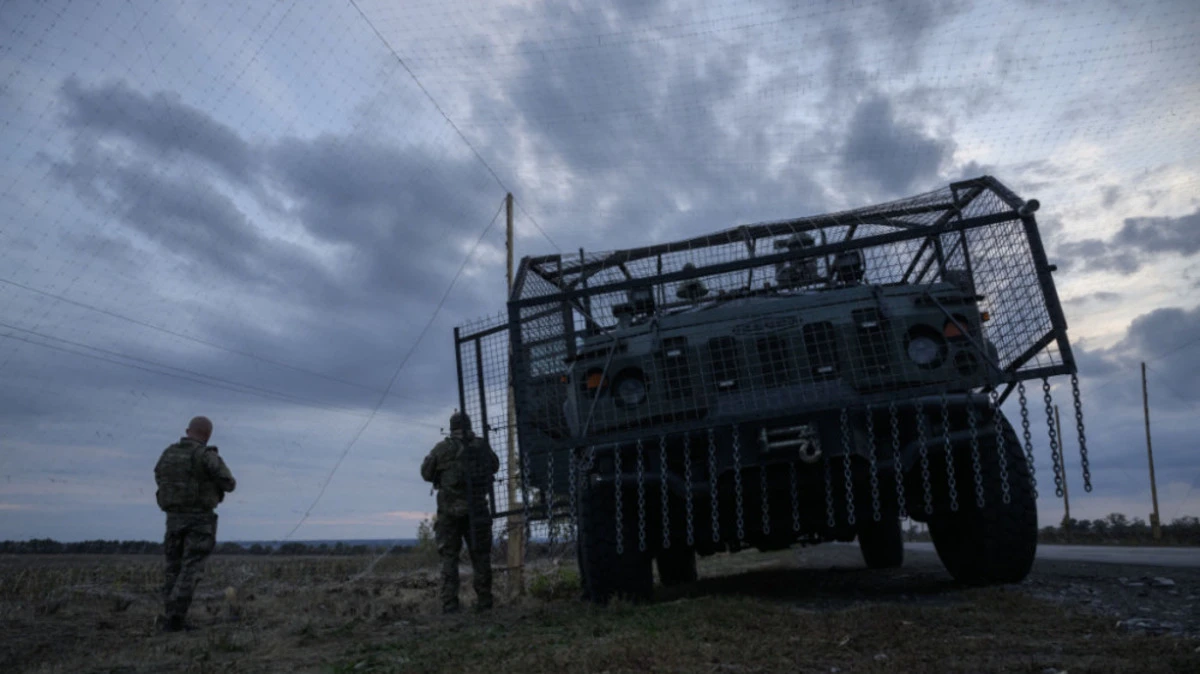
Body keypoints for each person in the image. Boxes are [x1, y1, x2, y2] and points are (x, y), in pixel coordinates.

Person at [153, 415, 236, 632]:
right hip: (199, 520)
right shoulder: (206, 455)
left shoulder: (168, 453)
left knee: (173, 568)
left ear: (187, 431)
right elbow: (229, 483)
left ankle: (170, 615)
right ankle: (175, 619)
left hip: (173, 519)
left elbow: (158, 475)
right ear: (208, 435)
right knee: (191, 569)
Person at [421, 411, 499, 613]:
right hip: (478, 510)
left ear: (451, 428)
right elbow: (495, 465)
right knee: (481, 557)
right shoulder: (481, 446)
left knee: (449, 558)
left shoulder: (442, 448)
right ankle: (485, 603)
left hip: (450, 513)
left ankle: (450, 605)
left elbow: (426, 473)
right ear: (469, 426)